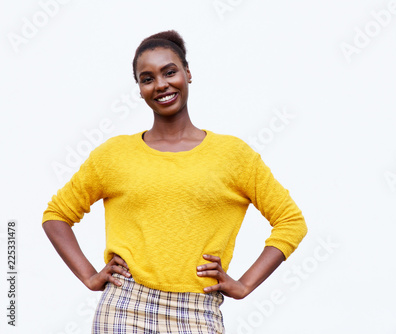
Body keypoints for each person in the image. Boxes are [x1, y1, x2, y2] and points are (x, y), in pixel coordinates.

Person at [42, 30, 307, 333]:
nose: (161, 84)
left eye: (170, 72)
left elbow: (291, 221)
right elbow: (56, 215)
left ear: (188, 73)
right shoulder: (113, 155)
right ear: (140, 89)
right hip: (125, 308)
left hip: (197, 310)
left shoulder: (234, 156)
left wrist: (245, 284)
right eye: (148, 78)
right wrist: (90, 276)